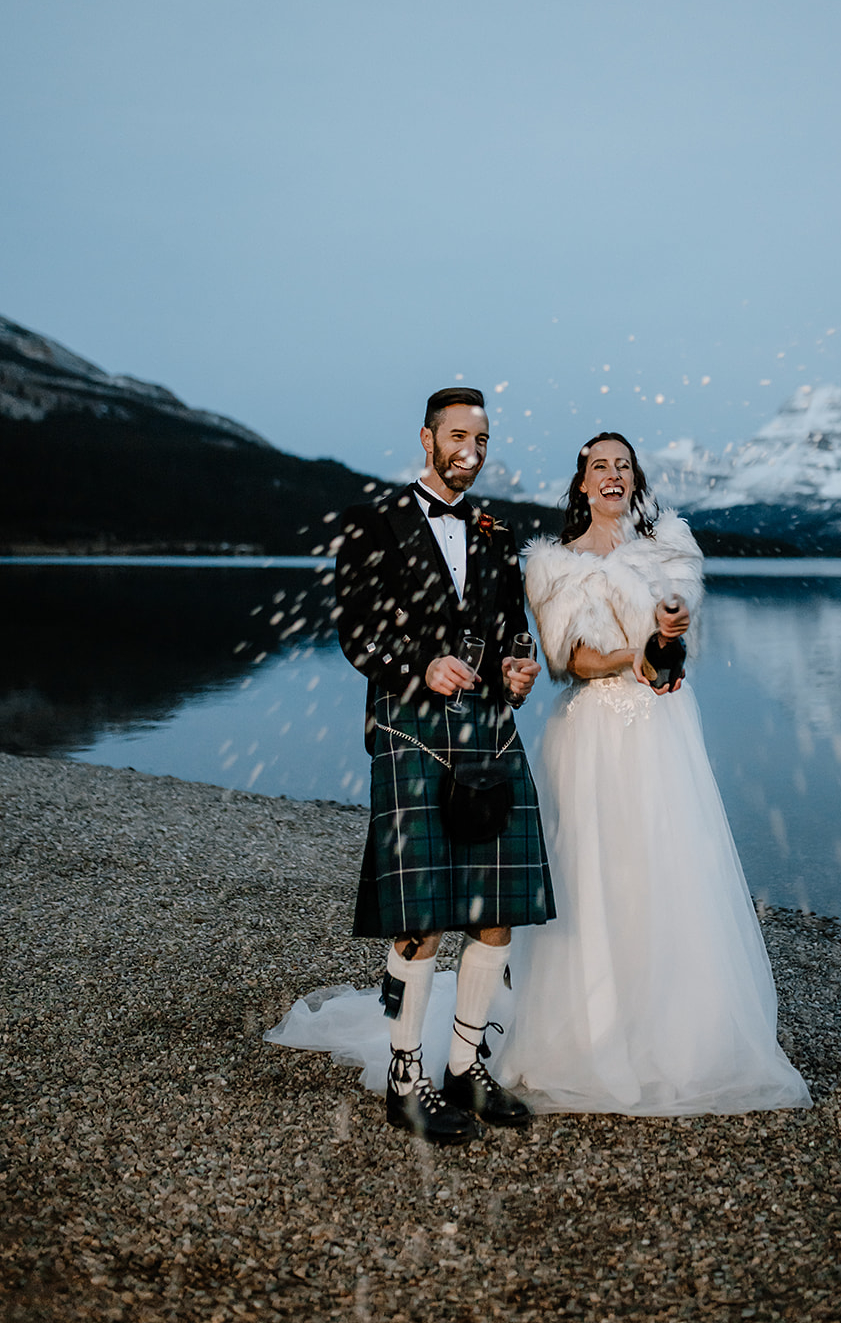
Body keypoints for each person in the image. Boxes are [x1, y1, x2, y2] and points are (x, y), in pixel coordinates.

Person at [492, 432, 811, 1114]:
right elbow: (568, 661)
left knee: (668, 866)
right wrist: (627, 658)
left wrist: (665, 638)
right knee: (591, 872)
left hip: (662, 728)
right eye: (599, 466)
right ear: (582, 483)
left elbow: (675, 636)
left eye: (623, 466)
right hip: (591, 732)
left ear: (635, 480)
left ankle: (677, 1035)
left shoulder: (668, 549)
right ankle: (588, 1034)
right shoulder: (553, 566)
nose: (612, 475)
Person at [265, 388, 554, 1142]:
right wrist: (418, 665)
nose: (470, 451)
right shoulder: (376, 522)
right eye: (457, 437)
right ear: (426, 439)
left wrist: (516, 668)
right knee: (421, 915)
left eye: (481, 440)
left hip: (488, 728)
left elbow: (510, 628)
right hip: (409, 726)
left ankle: (464, 1069)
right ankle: (405, 1080)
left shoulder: (497, 532)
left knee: (495, 912)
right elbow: (356, 629)